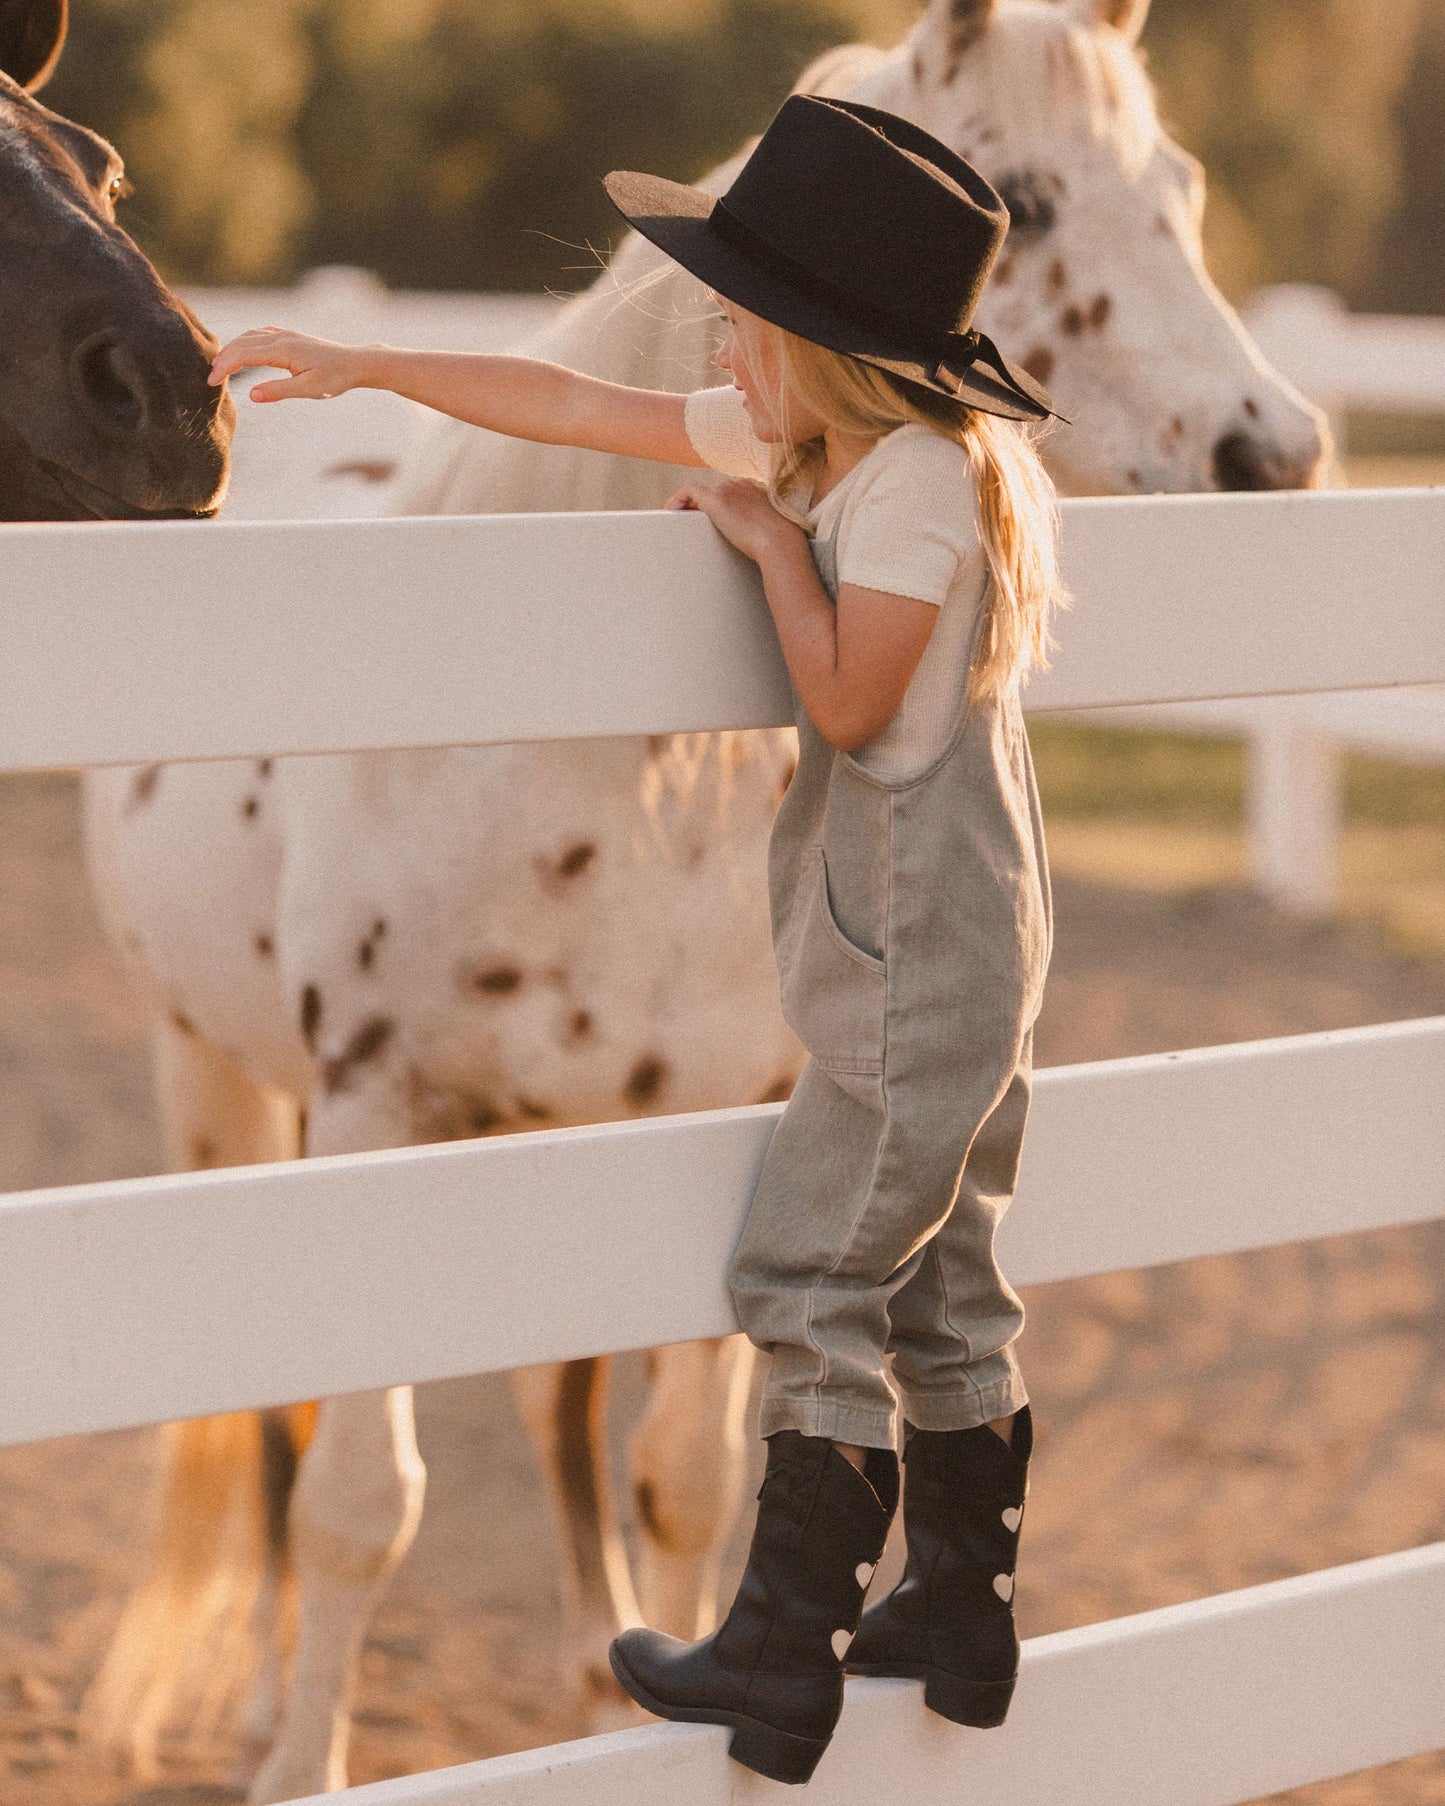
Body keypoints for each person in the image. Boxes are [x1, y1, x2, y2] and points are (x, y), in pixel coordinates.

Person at [209, 93, 1063, 1788]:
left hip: (921, 949)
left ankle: (784, 1642)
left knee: (806, 1275)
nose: (719, 357)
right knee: (949, 1280)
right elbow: (572, 402)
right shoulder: (845, 447)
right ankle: (961, 1605)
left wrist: (760, 550)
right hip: (951, 940)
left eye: (741, 330)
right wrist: (368, 371)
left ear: (822, 346)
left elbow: (840, 693)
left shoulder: (902, 495)